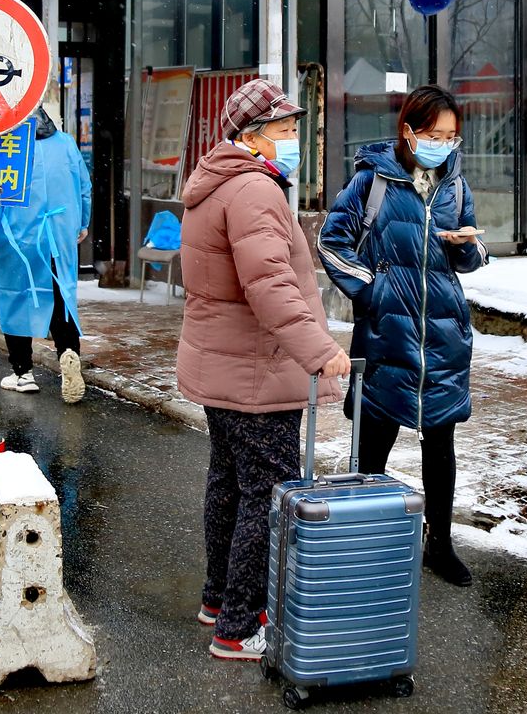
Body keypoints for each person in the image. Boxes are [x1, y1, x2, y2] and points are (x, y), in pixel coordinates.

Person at [176, 78, 351, 661]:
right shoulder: (254, 189)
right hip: (256, 370)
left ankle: (218, 597)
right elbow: (270, 285)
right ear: (252, 137)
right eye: (286, 130)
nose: (295, 139)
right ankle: (239, 624)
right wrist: (318, 350)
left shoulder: (218, 182)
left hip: (222, 366)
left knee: (228, 484)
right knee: (264, 495)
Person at [317, 84, 487, 586]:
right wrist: (374, 292)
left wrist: (467, 248)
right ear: (409, 131)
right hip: (387, 335)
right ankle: (363, 543)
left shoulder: (455, 186)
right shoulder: (372, 183)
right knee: (374, 443)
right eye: (435, 134)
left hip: (443, 339)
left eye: (452, 137)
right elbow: (333, 243)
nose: (444, 145)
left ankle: (440, 543)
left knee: (441, 446)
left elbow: (472, 255)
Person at [0, 102, 91, 402]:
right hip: (59, 232)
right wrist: (81, 222)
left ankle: (22, 372)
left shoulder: (9, 146)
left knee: (16, 296)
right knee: (62, 297)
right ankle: (68, 352)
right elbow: (84, 186)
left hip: (18, 236)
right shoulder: (67, 144)